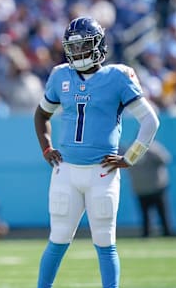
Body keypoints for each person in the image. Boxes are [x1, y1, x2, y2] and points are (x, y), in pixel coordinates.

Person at [34, 16, 160, 288]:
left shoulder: (117, 76)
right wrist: (46, 147)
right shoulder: (60, 75)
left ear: (99, 45)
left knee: (105, 241)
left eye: (84, 46)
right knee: (57, 239)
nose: (78, 53)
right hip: (66, 170)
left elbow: (150, 120)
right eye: (73, 47)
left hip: (102, 172)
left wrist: (131, 158)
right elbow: (41, 114)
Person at [127, 140, 174, 237]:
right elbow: (127, 163)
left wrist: (151, 149)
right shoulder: (132, 150)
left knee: (163, 214)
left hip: (157, 187)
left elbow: (165, 159)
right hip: (141, 189)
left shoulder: (153, 148)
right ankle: (146, 234)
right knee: (145, 216)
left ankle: (168, 234)